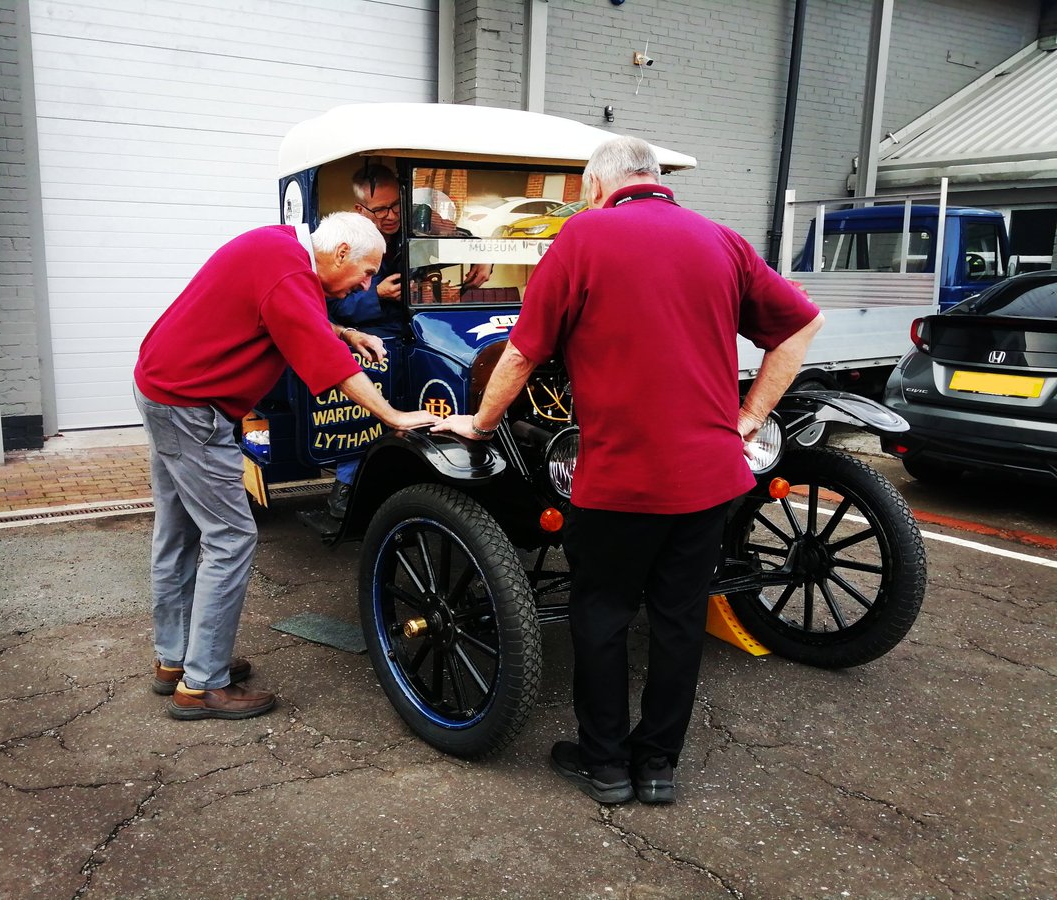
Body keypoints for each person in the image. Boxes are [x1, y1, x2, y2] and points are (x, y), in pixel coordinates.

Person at [433, 136, 823, 804]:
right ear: (654, 179)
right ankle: (658, 766)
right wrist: (752, 413)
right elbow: (800, 326)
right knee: (678, 618)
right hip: (707, 475)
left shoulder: (582, 238)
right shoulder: (722, 239)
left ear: (595, 186)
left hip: (618, 478)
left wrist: (481, 423)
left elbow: (523, 353)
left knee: (604, 612)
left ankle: (606, 764)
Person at [134, 212, 438, 721]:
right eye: (364, 273)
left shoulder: (279, 247)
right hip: (190, 409)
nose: (366, 284)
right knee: (230, 538)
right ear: (340, 252)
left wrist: (342, 330)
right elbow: (326, 361)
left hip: (164, 390)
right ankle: (203, 684)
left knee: (178, 534)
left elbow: (288, 313)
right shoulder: (287, 269)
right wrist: (392, 415)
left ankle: (176, 662)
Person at [323, 164, 490, 518]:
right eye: (381, 209)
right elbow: (333, 305)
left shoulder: (414, 226)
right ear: (360, 210)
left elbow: (459, 234)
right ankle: (347, 481)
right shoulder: (346, 243)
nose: (391, 216)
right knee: (365, 385)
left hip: (422, 326)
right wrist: (377, 295)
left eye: (396, 205)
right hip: (374, 333)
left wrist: (483, 254)